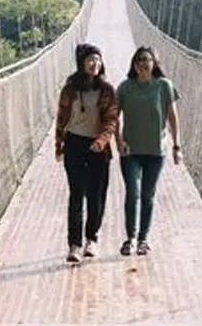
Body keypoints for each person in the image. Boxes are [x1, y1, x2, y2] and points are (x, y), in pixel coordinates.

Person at [54, 42, 118, 264]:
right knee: (76, 195)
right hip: (74, 144)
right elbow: (61, 118)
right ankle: (74, 245)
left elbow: (111, 120)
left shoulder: (107, 90)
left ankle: (92, 238)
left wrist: (101, 141)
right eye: (91, 60)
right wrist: (59, 145)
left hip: (98, 147)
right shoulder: (70, 90)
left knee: (96, 195)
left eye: (98, 60)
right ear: (81, 63)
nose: (95, 63)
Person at [116, 45, 181, 256]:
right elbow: (113, 117)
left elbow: (173, 117)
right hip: (131, 150)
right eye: (139, 60)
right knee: (132, 193)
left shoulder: (164, 86)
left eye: (147, 59)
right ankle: (130, 239)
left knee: (147, 195)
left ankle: (143, 239)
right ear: (133, 65)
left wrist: (176, 146)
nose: (143, 64)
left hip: (155, 151)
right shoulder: (125, 87)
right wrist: (118, 142)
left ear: (154, 63)